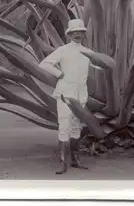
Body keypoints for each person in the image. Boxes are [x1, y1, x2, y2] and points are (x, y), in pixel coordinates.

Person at [38, 18, 102, 174]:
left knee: (76, 127)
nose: (77, 34)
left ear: (83, 34)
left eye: (80, 32)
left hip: (81, 95)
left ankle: (75, 159)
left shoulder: (88, 52)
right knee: (64, 127)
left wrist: (106, 64)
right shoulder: (63, 50)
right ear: (69, 34)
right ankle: (63, 161)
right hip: (65, 93)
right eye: (74, 32)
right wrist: (59, 73)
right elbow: (44, 64)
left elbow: (100, 65)